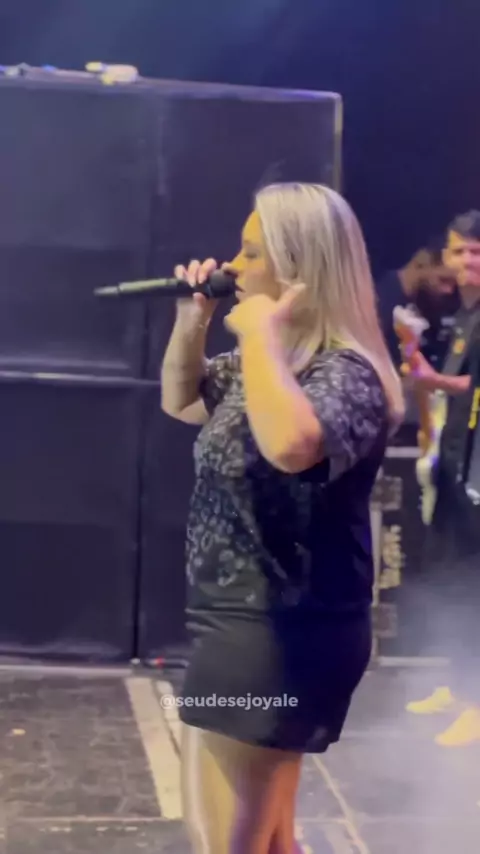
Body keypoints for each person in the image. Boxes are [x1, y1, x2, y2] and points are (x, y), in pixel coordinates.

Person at [161, 182, 404, 854]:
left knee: (228, 844)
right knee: (268, 842)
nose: (232, 265)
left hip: (279, 634)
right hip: (243, 624)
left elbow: (293, 445)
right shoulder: (267, 365)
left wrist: (262, 336)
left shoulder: (346, 372)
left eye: (251, 253)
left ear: (300, 268)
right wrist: (194, 319)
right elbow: (182, 402)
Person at [402, 211, 480, 748]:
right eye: (459, 250)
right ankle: (457, 685)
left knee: (474, 585)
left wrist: (433, 379)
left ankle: (476, 703)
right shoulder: (463, 317)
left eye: (477, 251)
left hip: (477, 473)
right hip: (454, 466)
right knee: (453, 578)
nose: (467, 260)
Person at [376, 242, 459, 369]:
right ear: (422, 263)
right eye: (443, 280)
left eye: (454, 284)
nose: (449, 290)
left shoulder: (427, 304)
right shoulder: (379, 302)